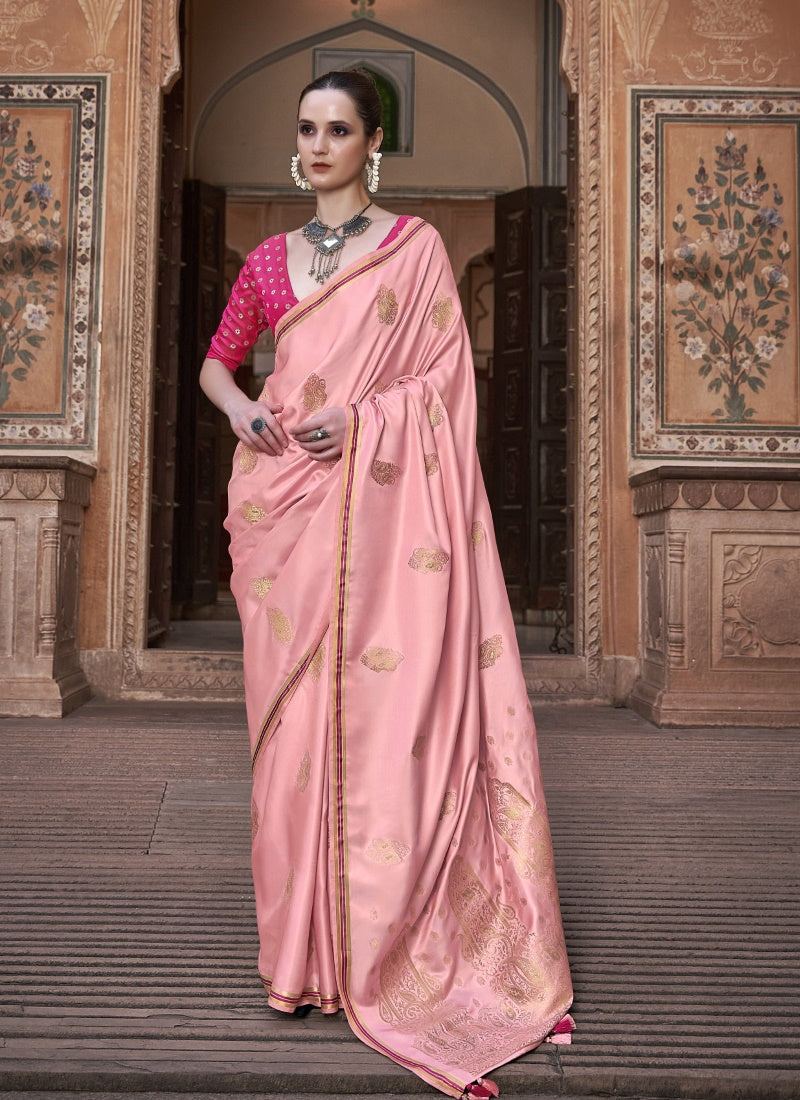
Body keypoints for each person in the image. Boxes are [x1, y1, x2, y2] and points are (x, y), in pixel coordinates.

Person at [199, 69, 574, 1099]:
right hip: (285, 513)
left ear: (374, 145)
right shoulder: (273, 263)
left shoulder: (411, 254)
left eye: (338, 131)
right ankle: (300, 961)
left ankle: (376, 941)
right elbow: (218, 363)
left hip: (375, 506)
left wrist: (360, 421)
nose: (317, 146)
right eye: (306, 129)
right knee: (286, 742)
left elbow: (445, 384)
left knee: (375, 720)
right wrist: (240, 412)